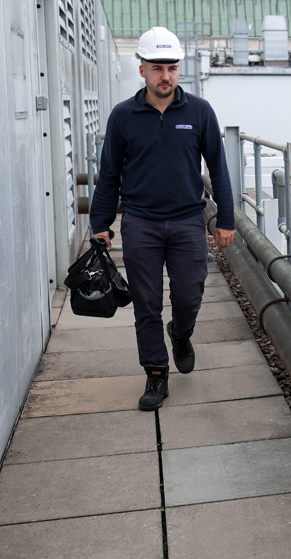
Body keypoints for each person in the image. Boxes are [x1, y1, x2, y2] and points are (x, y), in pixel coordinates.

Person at [90, 26, 235, 411]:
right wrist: (100, 224)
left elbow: (218, 169)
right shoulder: (123, 116)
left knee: (190, 294)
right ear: (142, 70)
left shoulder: (200, 112)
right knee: (146, 304)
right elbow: (108, 174)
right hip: (140, 223)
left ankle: (181, 333)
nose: (165, 76)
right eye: (157, 68)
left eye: (171, 67)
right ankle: (156, 373)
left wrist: (227, 220)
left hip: (188, 221)